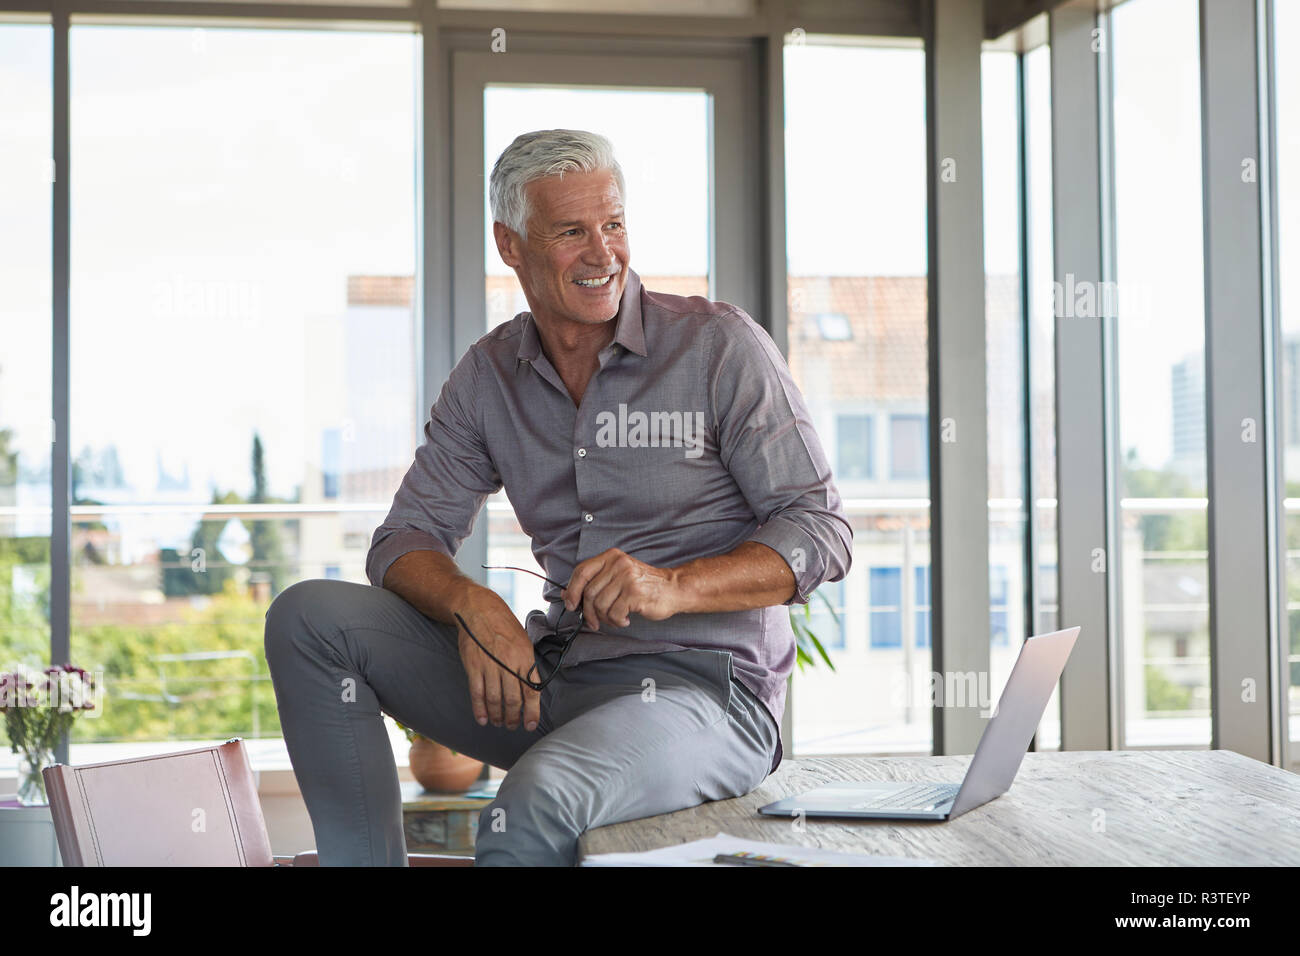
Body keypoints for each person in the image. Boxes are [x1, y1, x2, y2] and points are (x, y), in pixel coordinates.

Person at [263, 128, 852, 865]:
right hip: (554, 678)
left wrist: (672, 586)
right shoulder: (489, 377)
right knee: (310, 619)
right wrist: (474, 607)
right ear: (511, 245)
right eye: (572, 232)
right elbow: (402, 541)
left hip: (704, 694)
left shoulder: (717, 348)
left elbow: (821, 532)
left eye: (613, 225)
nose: (603, 254)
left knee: (535, 802)